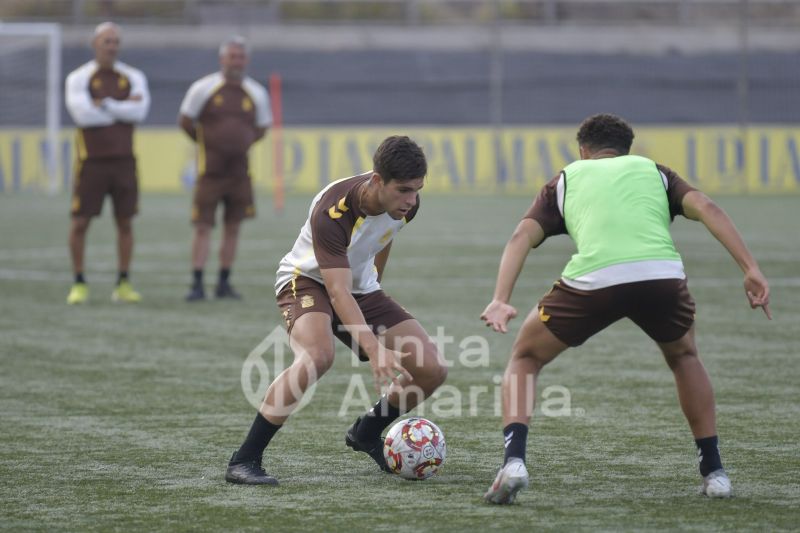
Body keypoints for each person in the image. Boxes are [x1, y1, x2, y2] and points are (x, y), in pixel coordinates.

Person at [481, 113, 771, 504]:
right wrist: (751, 269)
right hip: (661, 276)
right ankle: (715, 473)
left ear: (583, 150)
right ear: (625, 150)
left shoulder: (568, 177)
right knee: (685, 356)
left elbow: (521, 236)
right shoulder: (654, 171)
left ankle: (513, 464)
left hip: (594, 281)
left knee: (526, 357)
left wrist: (501, 298)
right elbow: (706, 207)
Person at [224, 135, 448, 485]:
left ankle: (365, 432)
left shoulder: (407, 205)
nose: (411, 199)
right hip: (306, 282)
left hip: (359, 288)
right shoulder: (334, 209)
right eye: (403, 190)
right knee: (318, 355)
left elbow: (383, 238)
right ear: (377, 180)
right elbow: (337, 291)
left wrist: (376, 284)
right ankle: (244, 460)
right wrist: (373, 350)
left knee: (431, 370)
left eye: (417, 189)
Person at [178, 36, 271, 301]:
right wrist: (208, 144)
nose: (236, 62)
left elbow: (262, 128)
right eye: (232, 57)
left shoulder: (256, 92)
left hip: (240, 174)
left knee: (233, 227)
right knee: (203, 226)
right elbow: (185, 121)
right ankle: (197, 283)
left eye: (240, 57)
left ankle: (223, 282)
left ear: (246, 61)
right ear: (222, 59)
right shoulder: (203, 88)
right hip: (210, 173)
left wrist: (240, 143)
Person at [65, 22, 150, 304]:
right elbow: (83, 115)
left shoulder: (133, 76)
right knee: (80, 222)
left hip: (125, 162)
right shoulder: (79, 78)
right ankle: (79, 282)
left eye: (115, 41)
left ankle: (123, 282)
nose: (111, 46)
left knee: (125, 223)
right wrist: (121, 108)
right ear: (95, 44)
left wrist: (105, 104)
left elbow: (139, 111)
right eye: (106, 41)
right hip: (91, 163)